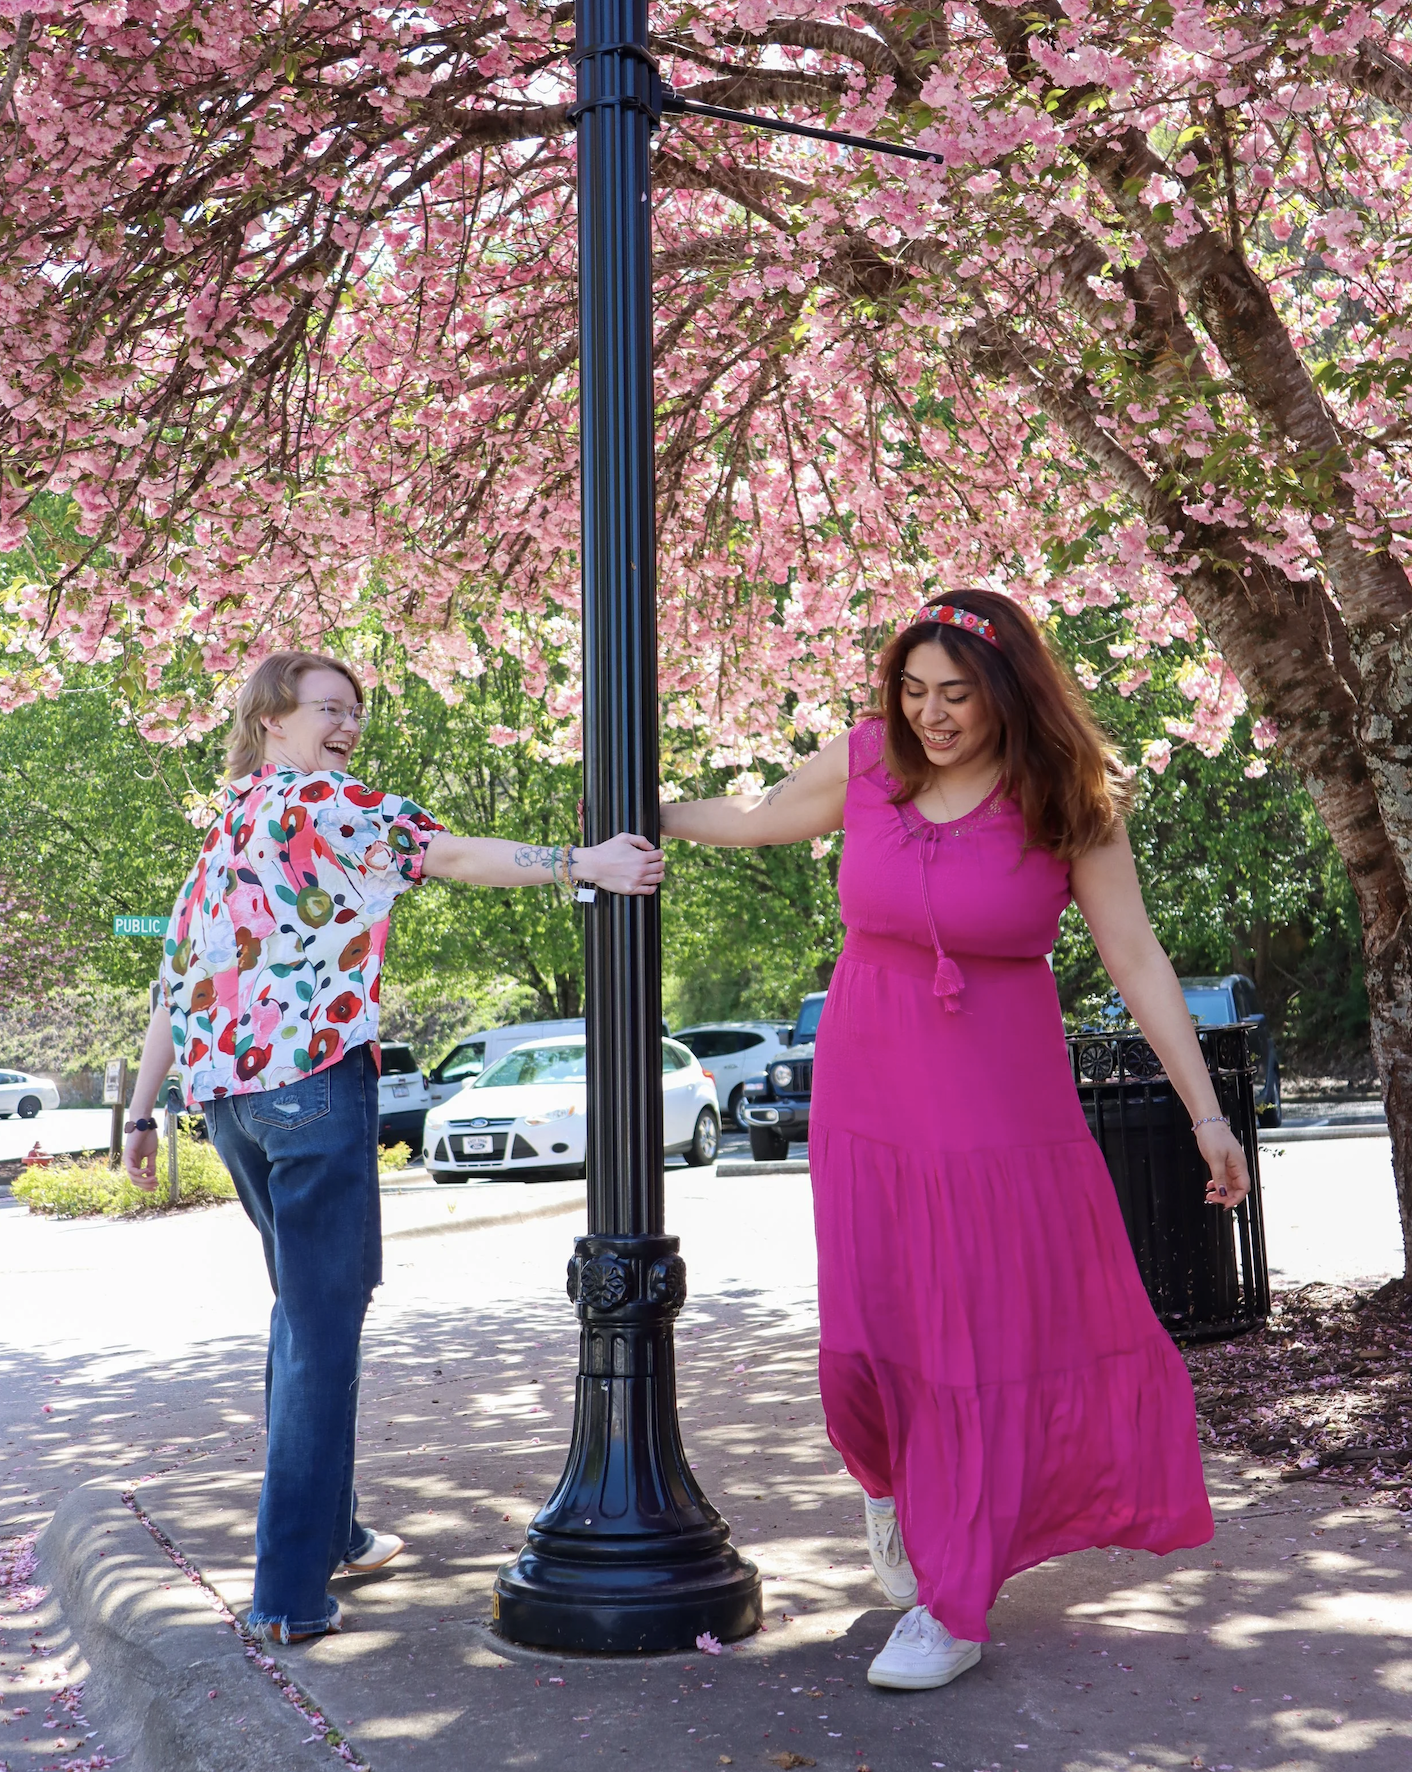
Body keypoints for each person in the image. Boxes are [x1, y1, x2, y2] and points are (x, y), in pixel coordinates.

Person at [660, 591, 1249, 1692]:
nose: (929, 715)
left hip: (998, 1106)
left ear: (1008, 693)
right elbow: (751, 817)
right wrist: (641, 807)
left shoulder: (1064, 801)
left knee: (972, 1340)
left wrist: (1204, 1114)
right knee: (864, 1340)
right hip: (866, 1092)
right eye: (914, 691)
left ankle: (953, 1595)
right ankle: (890, 1490)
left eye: (955, 695)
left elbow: (1136, 960)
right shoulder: (868, 762)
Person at [122, 650, 663, 1645]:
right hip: (313, 1086)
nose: (347, 725)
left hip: (230, 1100)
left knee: (303, 1316)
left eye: (354, 712)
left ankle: (332, 1534)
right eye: (328, 707)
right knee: (320, 1331)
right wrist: (583, 863)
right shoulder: (321, 798)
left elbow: (172, 980)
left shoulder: (226, 828)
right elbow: (446, 853)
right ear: (271, 718)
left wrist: (140, 1113)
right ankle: (287, 1590)